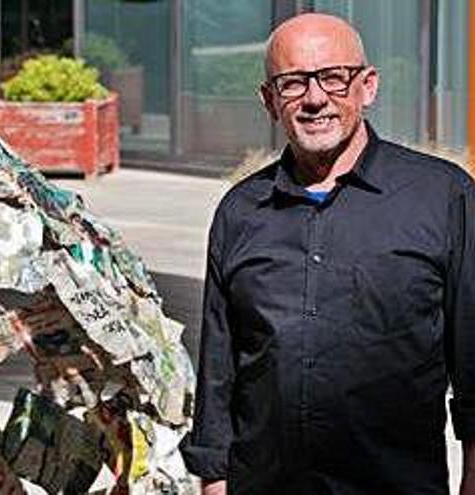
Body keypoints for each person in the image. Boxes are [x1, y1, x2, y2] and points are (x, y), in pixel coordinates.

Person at [180, 12, 475, 495]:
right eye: (293, 83)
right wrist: (214, 479)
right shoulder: (241, 211)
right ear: (270, 101)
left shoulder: (444, 198)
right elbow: (221, 366)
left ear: (368, 86)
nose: (315, 99)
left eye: (334, 78)